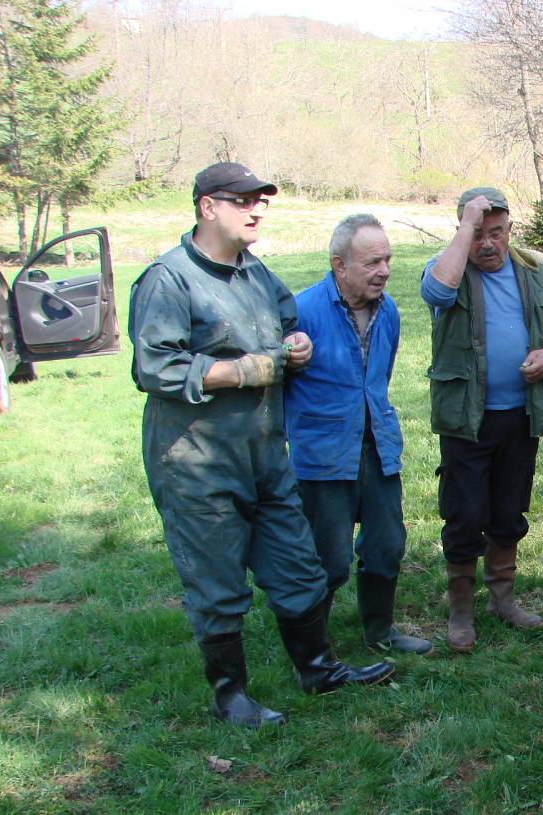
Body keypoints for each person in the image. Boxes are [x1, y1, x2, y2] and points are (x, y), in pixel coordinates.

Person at [129, 162, 393, 727]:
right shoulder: (169, 279)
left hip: (265, 454)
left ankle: (317, 668)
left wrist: (293, 343)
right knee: (218, 582)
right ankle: (232, 697)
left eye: (262, 201)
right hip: (197, 461)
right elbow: (154, 367)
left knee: (299, 567)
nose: (257, 210)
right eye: (244, 201)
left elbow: (286, 316)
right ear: (207, 207)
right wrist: (242, 370)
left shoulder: (254, 273)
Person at [420, 187, 543, 653]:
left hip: (520, 416)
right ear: (463, 232)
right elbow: (435, 292)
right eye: (477, 234)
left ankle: (503, 599)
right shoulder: (447, 266)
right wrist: (464, 228)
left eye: (496, 233)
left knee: (509, 512)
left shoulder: (533, 270)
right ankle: (461, 610)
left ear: (510, 230)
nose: (487, 244)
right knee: (465, 514)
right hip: (466, 420)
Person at [285, 214, 431, 656]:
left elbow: (378, 379)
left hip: (379, 448)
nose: (384, 270)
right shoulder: (302, 311)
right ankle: (315, 649)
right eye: (372, 262)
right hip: (324, 456)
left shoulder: (389, 311)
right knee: (327, 559)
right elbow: (279, 386)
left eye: (387, 260)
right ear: (339, 265)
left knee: (387, 545)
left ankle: (380, 632)